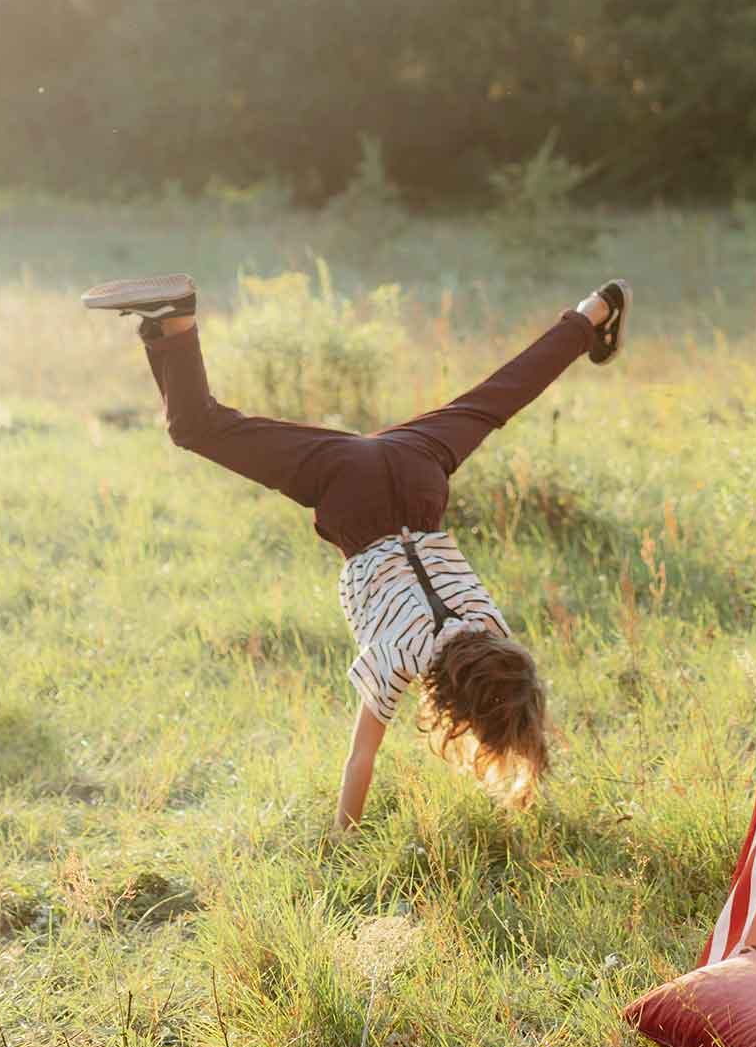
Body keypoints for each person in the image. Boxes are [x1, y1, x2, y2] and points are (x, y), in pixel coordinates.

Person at [80, 272, 630, 835]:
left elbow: (509, 692)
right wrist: (342, 841)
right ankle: (176, 320)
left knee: (499, 395)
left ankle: (592, 312)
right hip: (351, 495)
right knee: (197, 427)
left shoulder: (492, 626)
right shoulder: (399, 660)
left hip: (415, 469)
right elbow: (360, 759)